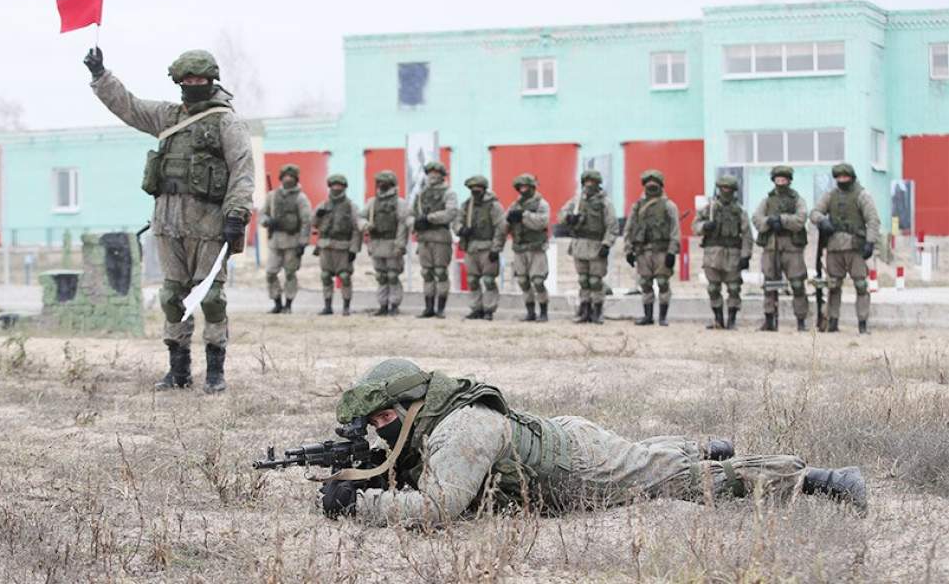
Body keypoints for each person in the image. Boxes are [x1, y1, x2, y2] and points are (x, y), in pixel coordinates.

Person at [319, 359, 869, 526]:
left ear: (413, 404)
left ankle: (821, 480)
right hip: (568, 439)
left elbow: (439, 507)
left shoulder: (461, 429)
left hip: (581, 469)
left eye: (385, 418)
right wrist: (372, 472)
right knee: (643, 459)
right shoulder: (436, 417)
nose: (381, 428)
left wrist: (359, 503)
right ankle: (698, 444)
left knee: (678, 484)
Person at [84, 47, 254, 394]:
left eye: (200, 80)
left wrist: (236, 214)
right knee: (172, 296)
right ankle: (178, 371)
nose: (193, 85)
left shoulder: (227, 122)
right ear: (178, 82)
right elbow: (129, 107)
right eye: (187, 80)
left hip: (209, 226)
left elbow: (242, 172)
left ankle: (215, 372)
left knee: (211, 298)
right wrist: (101, 75)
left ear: (211, 81)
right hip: (167, 224)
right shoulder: (167, 116)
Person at [809, 163, 881, 334]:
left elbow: (873, 220)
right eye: (839, 178)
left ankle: (862, 323)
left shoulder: (862, 195)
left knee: (861, 285)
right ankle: (832, 322)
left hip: (855, 247)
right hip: (834, 247)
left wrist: (870, 242)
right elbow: (814, 212)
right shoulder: (830, 195)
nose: (842, 180)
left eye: (845, 177)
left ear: (851, 178)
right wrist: (822, 221)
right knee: (833, 286)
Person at [752, 165, 810, 331]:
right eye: (778, 180)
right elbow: (756, 218)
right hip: (771, 246)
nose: (780, 182)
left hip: (792, 248)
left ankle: (801, 321)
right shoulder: (767, 200)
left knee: (797, 284)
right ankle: (769, 319)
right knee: (770, 284)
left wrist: (782, 220)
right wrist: (769, 221)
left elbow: (801, 218)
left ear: (789, 181)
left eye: (784, 180)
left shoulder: (797, 200)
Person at [692, 175, 753, 330]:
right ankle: (718, 319)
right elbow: (695, 226)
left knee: (734, 288)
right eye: (723, 188)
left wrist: (746, 255)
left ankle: (731, 320)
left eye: (729, 189)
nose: (726, 191)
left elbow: (747, 234)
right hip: (712, 254)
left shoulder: (739, 211)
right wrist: (705, 226)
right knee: (713, 288)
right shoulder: (709, 208)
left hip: (732, 254)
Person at [558, 170, 618, 324]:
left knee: (595, 281)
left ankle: (597, 310)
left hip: (596, 245)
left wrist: (607, 244)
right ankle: (584, 309)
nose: (589, 185)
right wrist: (568, 218)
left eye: (592, 182)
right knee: (583, 280)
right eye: (586, 182)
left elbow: (612, 226)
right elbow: (561, 214)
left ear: (598, 184)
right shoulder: (577, 201)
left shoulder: (605, 203)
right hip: (579, 244)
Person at [623, 170, 680, 326]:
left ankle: (662, 317)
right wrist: (628, 250)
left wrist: (672, 252)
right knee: (645, 283)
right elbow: (629, 229)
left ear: (661, 186)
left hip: (662, 251)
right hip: (643, 251)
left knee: (663, 282)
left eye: (655, 186)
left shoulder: (669, 206)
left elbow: (675, 230)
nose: (651, 189)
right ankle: (647, 316)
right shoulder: (637, 206)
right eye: (648, 186)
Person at [454, 175, 507, 320]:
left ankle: (489, 309)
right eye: (473, 189)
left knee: (488, 280)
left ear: (484, 189)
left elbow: (501, 227)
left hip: (488, 246)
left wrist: (496, 248)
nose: (475, 192)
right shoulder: (467, 205)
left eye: (478, 189)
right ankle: (476, 308)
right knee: (472, 280)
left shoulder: (493, 205)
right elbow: (457, 221)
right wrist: (461, 229)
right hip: (471, 247)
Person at [261, 164, 312, 314]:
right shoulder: (272, 196)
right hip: (275, 241)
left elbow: (306, 221)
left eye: (291, 177)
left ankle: (288, 304)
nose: (288, 179)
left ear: (296, 179)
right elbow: (262, 214)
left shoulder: (301, 198)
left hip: (292, 241)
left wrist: (303, 242)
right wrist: (267, 221)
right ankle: (277, 301)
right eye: (285, 176)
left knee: (290, 273)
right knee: (270, 272)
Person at [412, 161, 458, 318]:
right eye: (429, 173)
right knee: (427, 273)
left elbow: (451, 212)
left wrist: (429, 218)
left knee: (440, 272)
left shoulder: (449, 193)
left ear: (442, 176)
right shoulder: (421, 194)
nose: (432, 176)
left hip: (440, 237)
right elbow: (410, 214)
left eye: (436, 173)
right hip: (424, 238)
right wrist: (415, 223)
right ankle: (428, 308)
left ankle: (441, 309)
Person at [312, 175, 362, 316]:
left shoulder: (351, 206)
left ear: (344, 187)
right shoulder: (323, 205)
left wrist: (354, 249)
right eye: (334, 185)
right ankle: (327, 306)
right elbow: (314, 224)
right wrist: (317, 216)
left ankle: (346, 307)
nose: (336, 188)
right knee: (325, 276)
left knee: (345, 276)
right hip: (326, 246)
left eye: (339, 185)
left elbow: (356, 229)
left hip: (343, 247)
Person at [361, 170, 410, 316]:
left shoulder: (400, 203)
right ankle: (382, 305)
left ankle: (394, 305)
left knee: (393, 276)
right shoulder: (372, 202)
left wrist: (400, 245)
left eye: (384, 182)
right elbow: (360, 217)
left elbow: (402, 225)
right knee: (381, 276)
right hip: (376, 242)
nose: (381, 184)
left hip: (392, 242)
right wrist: (365, 225)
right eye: (379, 182)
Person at [505, 174, 552, 322]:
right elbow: (505, 224)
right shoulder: (515, 205)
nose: (523, 189)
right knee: (522, 281)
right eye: (520, 187)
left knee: (538, 281)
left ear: (532, 187)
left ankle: (543, 312)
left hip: (536, 248)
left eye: (525, 187)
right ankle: (530, 312)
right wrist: (508, 220)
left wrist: (524, 216)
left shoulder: (541, 204)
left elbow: (542, 222)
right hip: (519, 248)